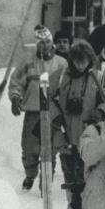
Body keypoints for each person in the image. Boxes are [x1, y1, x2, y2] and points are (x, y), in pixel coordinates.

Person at [50, 40, 105, 201]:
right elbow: (46, 97)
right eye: (77, 61)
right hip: (66, 136)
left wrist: (100, 111)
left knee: (89, 178)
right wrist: (55, 115)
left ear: (90, 60)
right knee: (70, 177)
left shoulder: (99, 77)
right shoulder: (60, 76)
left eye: (84, 61)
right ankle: (72, 208)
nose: (80, 65)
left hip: (89, 137)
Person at [8, 25, 67, 190]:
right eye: (41, 43)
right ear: (36, 45)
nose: (45, 45)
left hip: (53, 114)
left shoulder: (62, 63)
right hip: (33, 113)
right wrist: (15, 99)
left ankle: (45, 184)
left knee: (51, 149)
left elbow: (67, 88)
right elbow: (16, 82)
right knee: (29, 149)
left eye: (48, 41)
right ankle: (30, 175)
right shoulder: (28, 63)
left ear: (52, 42)